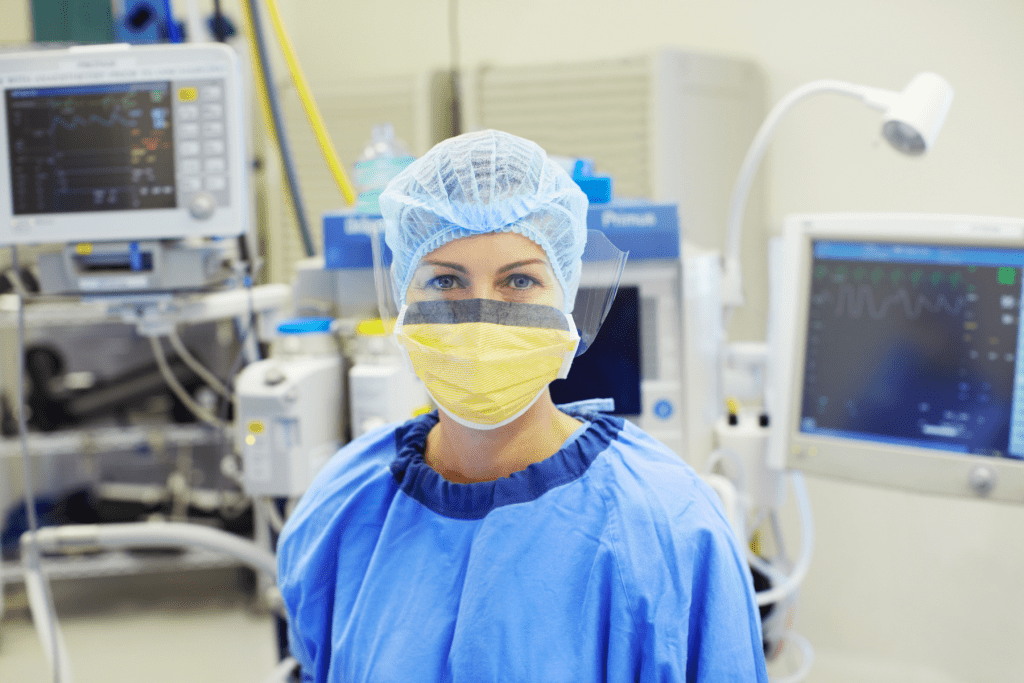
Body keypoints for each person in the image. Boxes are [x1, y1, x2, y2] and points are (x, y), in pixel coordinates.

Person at [276, 130, 769, 682]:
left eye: (518, 280)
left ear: (566, 295)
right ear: (401, 297)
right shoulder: (343, 508)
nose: (482, 316)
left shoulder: (671, 530)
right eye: (445, 280)